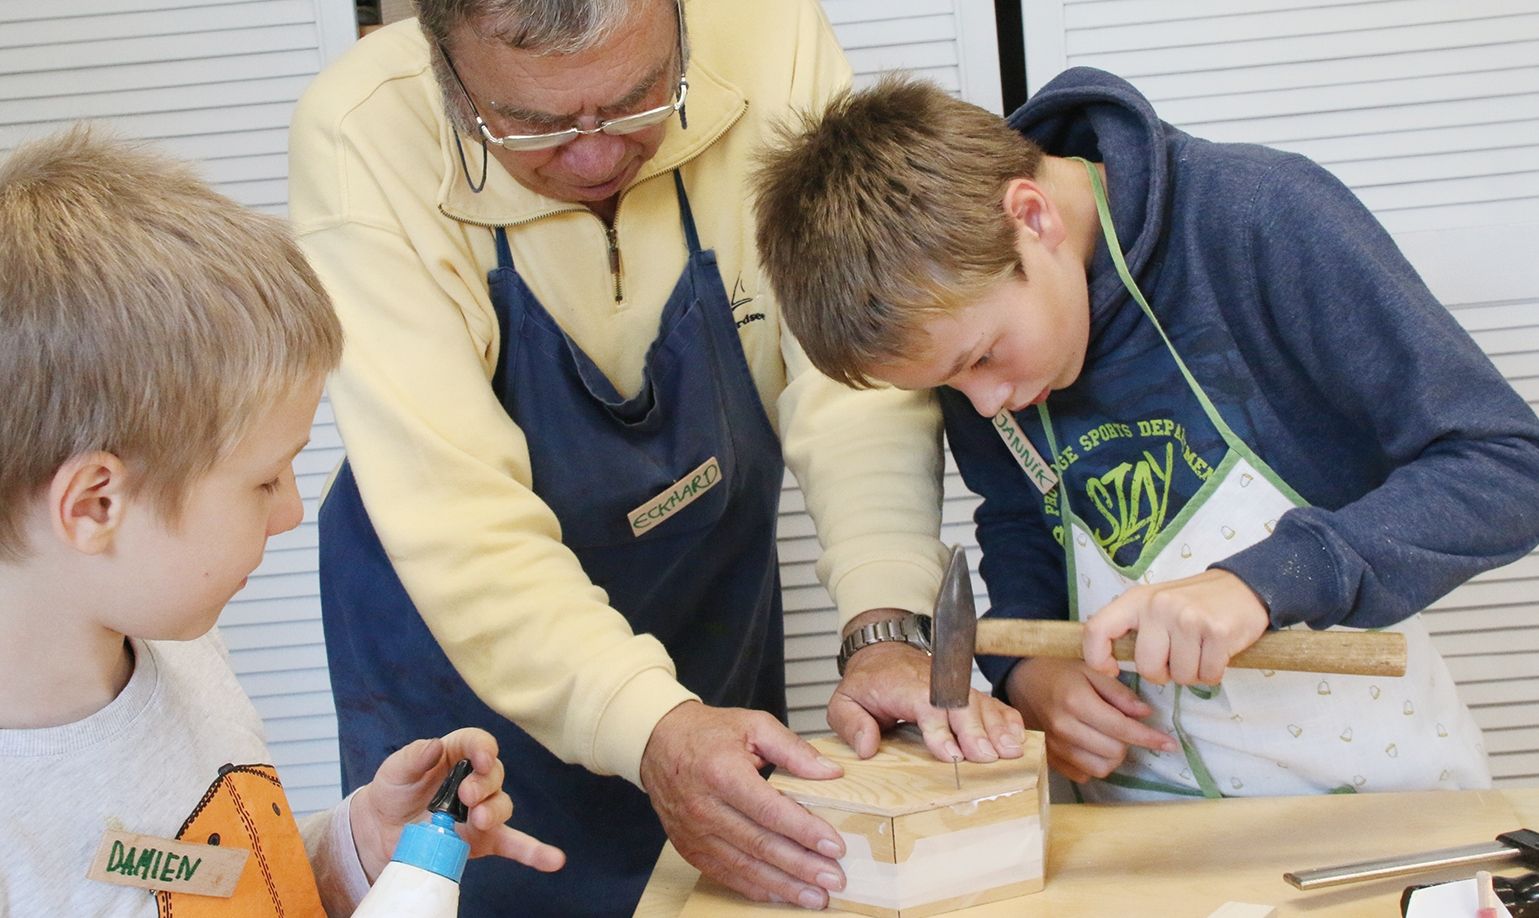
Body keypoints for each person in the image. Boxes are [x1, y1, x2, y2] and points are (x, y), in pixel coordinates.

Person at [287, 0, 1024, 912]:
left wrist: (884, 626)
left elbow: (850, 378)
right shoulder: (361, 133)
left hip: (703, 613)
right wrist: (652, 728)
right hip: (466, 665)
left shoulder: (771, 36)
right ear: (442, 60)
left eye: (640, 101)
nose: (597, 155)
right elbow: (458, 519)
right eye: (534, 124)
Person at [752, 71, 1539, 802]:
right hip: (1140, 828)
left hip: (1377, 800)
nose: (987, 404)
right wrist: (1025, 670)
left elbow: (1508, 467)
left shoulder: (1259, 219)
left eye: (983, 358)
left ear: (1032, 216)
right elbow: (1021, 526)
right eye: (950, 385)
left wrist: (1263, 580)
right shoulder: (966, 328)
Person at [0, 126, 565, 916]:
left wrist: (360, 850)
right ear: (97, 504)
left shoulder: (179, 652)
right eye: (264, 480)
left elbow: (215, 879)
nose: (294, 511)